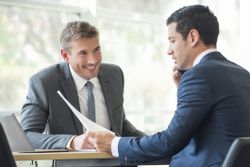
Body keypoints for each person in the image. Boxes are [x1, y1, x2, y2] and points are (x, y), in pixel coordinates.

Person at [86, 5, 250, 167]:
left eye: (173, 41)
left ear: (193, 37)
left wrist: (114, 144)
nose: (169, 51)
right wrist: (182, 90)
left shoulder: (198, 76)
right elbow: (214, 127)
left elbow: (170, 141)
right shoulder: (242, 74)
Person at [20, 21, 144, 150]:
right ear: (65, 55)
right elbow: (26, 136)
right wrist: (72, 142)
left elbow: (120, 126)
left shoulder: (114, 75)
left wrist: (152, 143)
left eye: (96, 50)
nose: (93, 60)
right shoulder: (45, 82)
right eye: (83, 53)